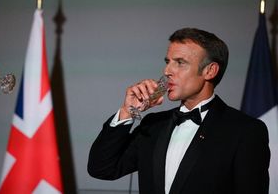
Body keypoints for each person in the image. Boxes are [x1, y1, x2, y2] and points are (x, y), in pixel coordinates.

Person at [88, 28, 270, 194]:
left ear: (210, 71)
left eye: (180, 63)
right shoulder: (153, 125)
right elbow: (102, 168)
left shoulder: (245, 130)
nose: (167, 71)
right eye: (168, 62)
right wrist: (128, 111)